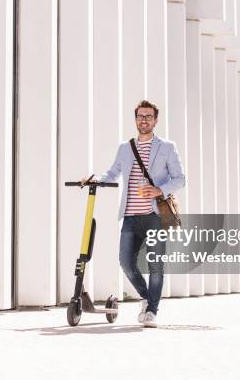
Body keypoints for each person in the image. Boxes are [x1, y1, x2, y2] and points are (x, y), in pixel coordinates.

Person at [86, 100, 186, 328]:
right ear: (135, 119)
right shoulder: (125, 147)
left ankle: (151, 311)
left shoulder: (167, 147)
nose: (144, 120)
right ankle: (147, 297)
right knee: (126, 262)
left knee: (155, 265)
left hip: (155, 216)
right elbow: (112, 173)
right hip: (130, 216)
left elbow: (180, 178)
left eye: (149, 116)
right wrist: (95, 180)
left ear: (156, 120)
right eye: (140, 116)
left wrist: (160, 189)